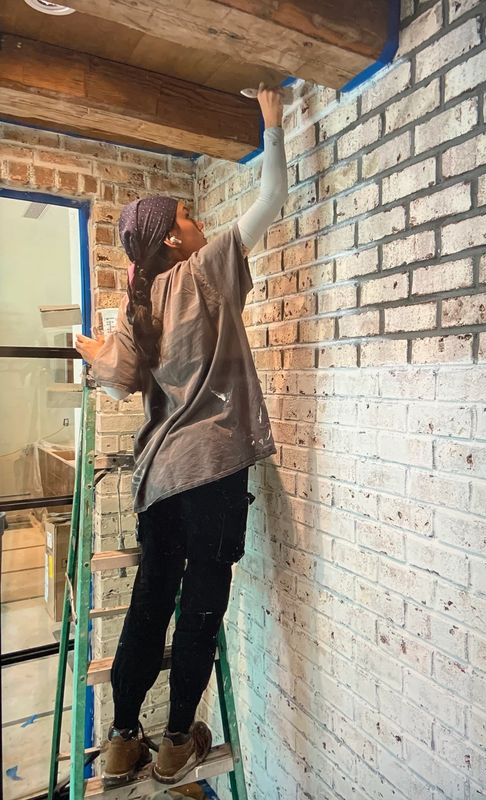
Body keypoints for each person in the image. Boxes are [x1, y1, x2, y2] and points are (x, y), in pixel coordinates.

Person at [75, 85, 287, 787]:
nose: (199, 223)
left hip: (159, 478)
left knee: (149, 602)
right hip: (214, 471)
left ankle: (120, 741)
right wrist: (273, 124)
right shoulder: (205, 270)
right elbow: (271, 200)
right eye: (190, 216)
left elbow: (118, 378)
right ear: (174, 238)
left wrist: (88, 350)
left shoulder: (138, 309)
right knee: (201, 603)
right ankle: (174, 747)